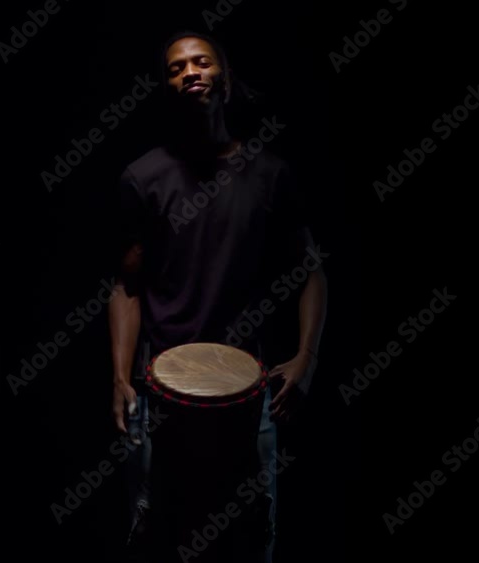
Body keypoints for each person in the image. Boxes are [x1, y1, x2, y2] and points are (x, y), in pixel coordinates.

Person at [109, 31, 327, 562]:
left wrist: (306, 357)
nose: (190, 72)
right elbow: (126, 286)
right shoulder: (143, 178)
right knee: (150, 530)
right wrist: (118, 377)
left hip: (248, 392)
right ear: (167, 87)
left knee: (255, 531)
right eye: (176, 68)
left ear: (224, 79)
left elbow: (311, 271)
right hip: (158, 390)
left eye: (201, 62)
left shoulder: (271, 174)